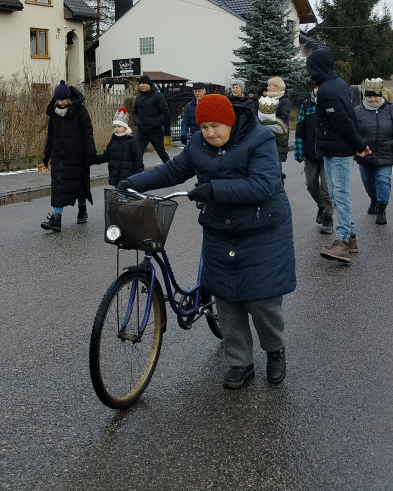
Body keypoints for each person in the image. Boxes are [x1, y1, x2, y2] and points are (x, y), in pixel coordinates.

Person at [118, 94, 294, 388]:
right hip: (220, 229)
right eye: (204, 127)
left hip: (262, 229)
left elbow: (264, 184)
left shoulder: (259, 138)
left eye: (216, 126)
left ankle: (274, 351)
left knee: (261, 300)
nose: (210, 133)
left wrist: (214, 190)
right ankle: (241, 362)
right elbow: (173, 170)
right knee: (226, 300)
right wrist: (134, 183)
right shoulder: (199, 143)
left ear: (230, 120)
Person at [306, 48, 371, 263]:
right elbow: (349, 116)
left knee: (340, 196)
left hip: (339, 151)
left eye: (311, 68)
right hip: (332, 150)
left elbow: (343, 121)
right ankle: (350, 238)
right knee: (335, 195)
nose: (309, 73)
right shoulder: (335, 84)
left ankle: (342, 242)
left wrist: (359, 145)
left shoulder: (328, 90)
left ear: (318, 68)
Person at [38, 80, 96, 231]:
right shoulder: (54, 114)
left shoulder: (80, 111)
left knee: (79, 183)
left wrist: (91, 153)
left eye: (63, 99)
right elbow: (50, 137)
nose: (61, 103)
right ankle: (56, 219)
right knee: (57, 185)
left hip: (77, 154)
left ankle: (82, 209)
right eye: (58, 99)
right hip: (58, 155)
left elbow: (88, 133)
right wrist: (46, 157)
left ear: (69, 98)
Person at [354, 78, 393, 225]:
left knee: (383, 180)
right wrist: (355, 151)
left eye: (376, 96)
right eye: (369, 96)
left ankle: (382, 209)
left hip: (386, 152)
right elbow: (351, 133)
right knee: (368, 182)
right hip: (365, 153)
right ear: (365, 96)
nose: (373, 99)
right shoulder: (357, 112)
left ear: (381, 95)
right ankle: (374, 200)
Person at [294, 83, 334, 234]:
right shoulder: (306, 105)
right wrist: (299, 150)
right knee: (311, 184)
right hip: (310, 153)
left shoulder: (331, 105)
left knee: (325, 187)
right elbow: (300, 128)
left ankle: (328, 218)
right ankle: (321, 206)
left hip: (327, 153)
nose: (318, 90)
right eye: (316, 87)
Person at [94, 108, 144, 186]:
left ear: (124, 127)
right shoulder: (114, 139)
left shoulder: (131, 140)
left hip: (128, 178)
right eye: (115, 126)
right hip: (116, 177)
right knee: (118, 197)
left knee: (124, 197)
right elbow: (107, 156)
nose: (116, 129)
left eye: (119, 126)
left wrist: (138, 176)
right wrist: (92, 159)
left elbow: (138, 159)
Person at [133, 74, 170, 163]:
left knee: (161, 153)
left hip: (155, 132)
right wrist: (137, 121)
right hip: (142, 132)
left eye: (144, 83)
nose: (141, 85)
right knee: (137, 153)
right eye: (140, 83)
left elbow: (165, 111)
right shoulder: (138, 97)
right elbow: (135, 112)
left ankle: (172, 169)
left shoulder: (157, 95)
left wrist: (155, 123)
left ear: (149, 84)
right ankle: (137, 173)